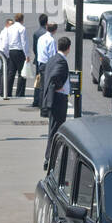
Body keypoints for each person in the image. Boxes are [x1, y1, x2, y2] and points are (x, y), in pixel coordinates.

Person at [41, 36, 72, 167]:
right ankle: (49, 159)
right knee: (56, 130)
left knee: (55, 128)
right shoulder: (61, 61)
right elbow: (55, 77)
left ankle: (51, 158)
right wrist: (58, 86)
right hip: (58, 99)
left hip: (54, 99)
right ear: (68, 48)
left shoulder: (53, 59)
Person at [6, 12, 30, 98]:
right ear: (22, 20)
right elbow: (24, 42)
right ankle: (19, 93)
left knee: (11, 73)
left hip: (11, 50)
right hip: (19, 51)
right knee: (21, 73)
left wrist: (7, 52)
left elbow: (7, 40)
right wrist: (27, 54)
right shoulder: (22, 28)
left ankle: (8, 92)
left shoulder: (10, 28)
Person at [0, 18, 15, 97]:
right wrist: (7, 56)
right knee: (4, 73)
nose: (12, 26)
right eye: (11, 24)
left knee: (1, 73)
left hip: (2, 52)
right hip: (4, 53)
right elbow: (4, 46)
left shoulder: (4, 31)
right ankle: (1, 91)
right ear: (7, 24)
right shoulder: (6, 32)